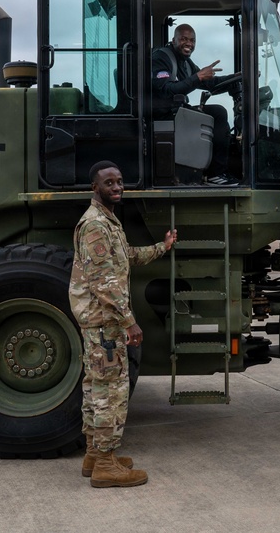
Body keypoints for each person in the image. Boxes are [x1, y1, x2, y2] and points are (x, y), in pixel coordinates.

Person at [69, 160, 177, 488]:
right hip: (106, 323)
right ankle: (105, 464)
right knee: (109, 392)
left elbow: (125, 256)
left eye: (119, 181)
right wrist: (129, 322)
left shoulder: (108, 221)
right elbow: (103, 280)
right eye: (108, 183)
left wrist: (162, 247)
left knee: (96, 387)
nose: (116, 187)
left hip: (103, 321)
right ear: (94, 188)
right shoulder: (95, 225)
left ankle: (94, 455)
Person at [151, 23, 240, 185]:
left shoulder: (186, 62)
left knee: (217, 112)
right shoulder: (161, 57)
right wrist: (198, 76)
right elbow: (166, 90)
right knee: (218, 113)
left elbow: (210, 84)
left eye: (192, 40)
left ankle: (218, 172)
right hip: (163, 114)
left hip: (177, 111)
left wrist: (235, 77)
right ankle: (215, 174)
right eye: (184, 39)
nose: (189, 44)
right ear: (174, 40)